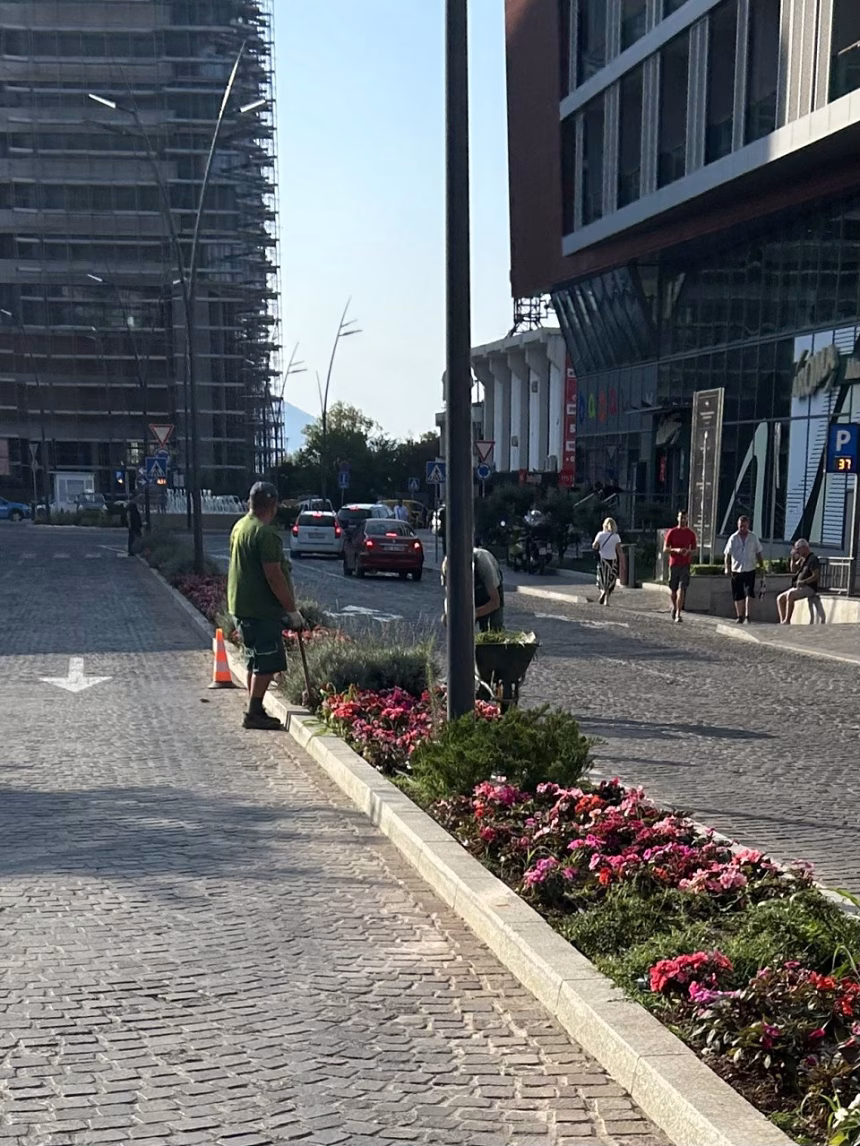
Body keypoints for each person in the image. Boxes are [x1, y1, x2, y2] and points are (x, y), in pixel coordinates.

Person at [227, 481, 304, 731]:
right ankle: (254, 712)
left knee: (255, 660)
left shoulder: (241, 526)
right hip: (260, 609)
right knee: (267, 661)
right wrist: (291, 610)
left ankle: (255, 707)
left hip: (241, 605)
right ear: (272, 504)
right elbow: (274, 575)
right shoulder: (265, 532)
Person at [440, 546, 505, 631]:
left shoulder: (483, 563)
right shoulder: (447, 566)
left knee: (494, 629)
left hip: (488, 592)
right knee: (461, 630)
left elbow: (495, 602)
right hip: (470, 593)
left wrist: (475, 613)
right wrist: (449, 614)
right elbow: (449, 597)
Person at [723, 515, 764, 623]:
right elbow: (727, 554)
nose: (742, 529)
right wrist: (727, 568)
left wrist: (762, 566)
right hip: (737, 569)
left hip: (750, 568)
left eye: (744, 526)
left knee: (749, 593)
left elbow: (758, 552)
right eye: (741, 526)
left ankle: (748, 616)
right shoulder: (733, 538)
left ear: (748, 525)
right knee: (738, 594)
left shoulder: (753, 537)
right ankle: (739, 616)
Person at [663, 510, 697, 622]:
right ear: (678, 518)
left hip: (685, 564)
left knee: (682, 589)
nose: (683, 520)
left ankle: (678, 612)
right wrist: (676, 550)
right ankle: (674, 606)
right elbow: (665, 549)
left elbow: (694, 549)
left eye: (685, 518)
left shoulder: (691, 534)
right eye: (681, 517)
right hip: (674, 564)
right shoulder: (672, 532)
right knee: (673, 589)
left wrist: (688, 551)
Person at [777, 539, 820, 624]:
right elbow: (793, 570)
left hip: (809, 587)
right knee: (780, 598)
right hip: (799, 586)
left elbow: (816, 576)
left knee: (791, 595)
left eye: (798, 549)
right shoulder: (802, 559)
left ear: (804, 548)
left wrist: (805, 582)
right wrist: (792, 559)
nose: (797, 552)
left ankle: (787, 620)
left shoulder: (812, 559)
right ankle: (783, 620)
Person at [592, 517, 626, 605]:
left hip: (603, 560)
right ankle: (607, 600)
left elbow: (594, 546)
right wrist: (622, 562)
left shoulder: (600, 534)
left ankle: (603, 591)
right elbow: (619, 551)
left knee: (602, 579)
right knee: (611, 579)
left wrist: (596, 545)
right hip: (613, 560)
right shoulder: (616, 537)